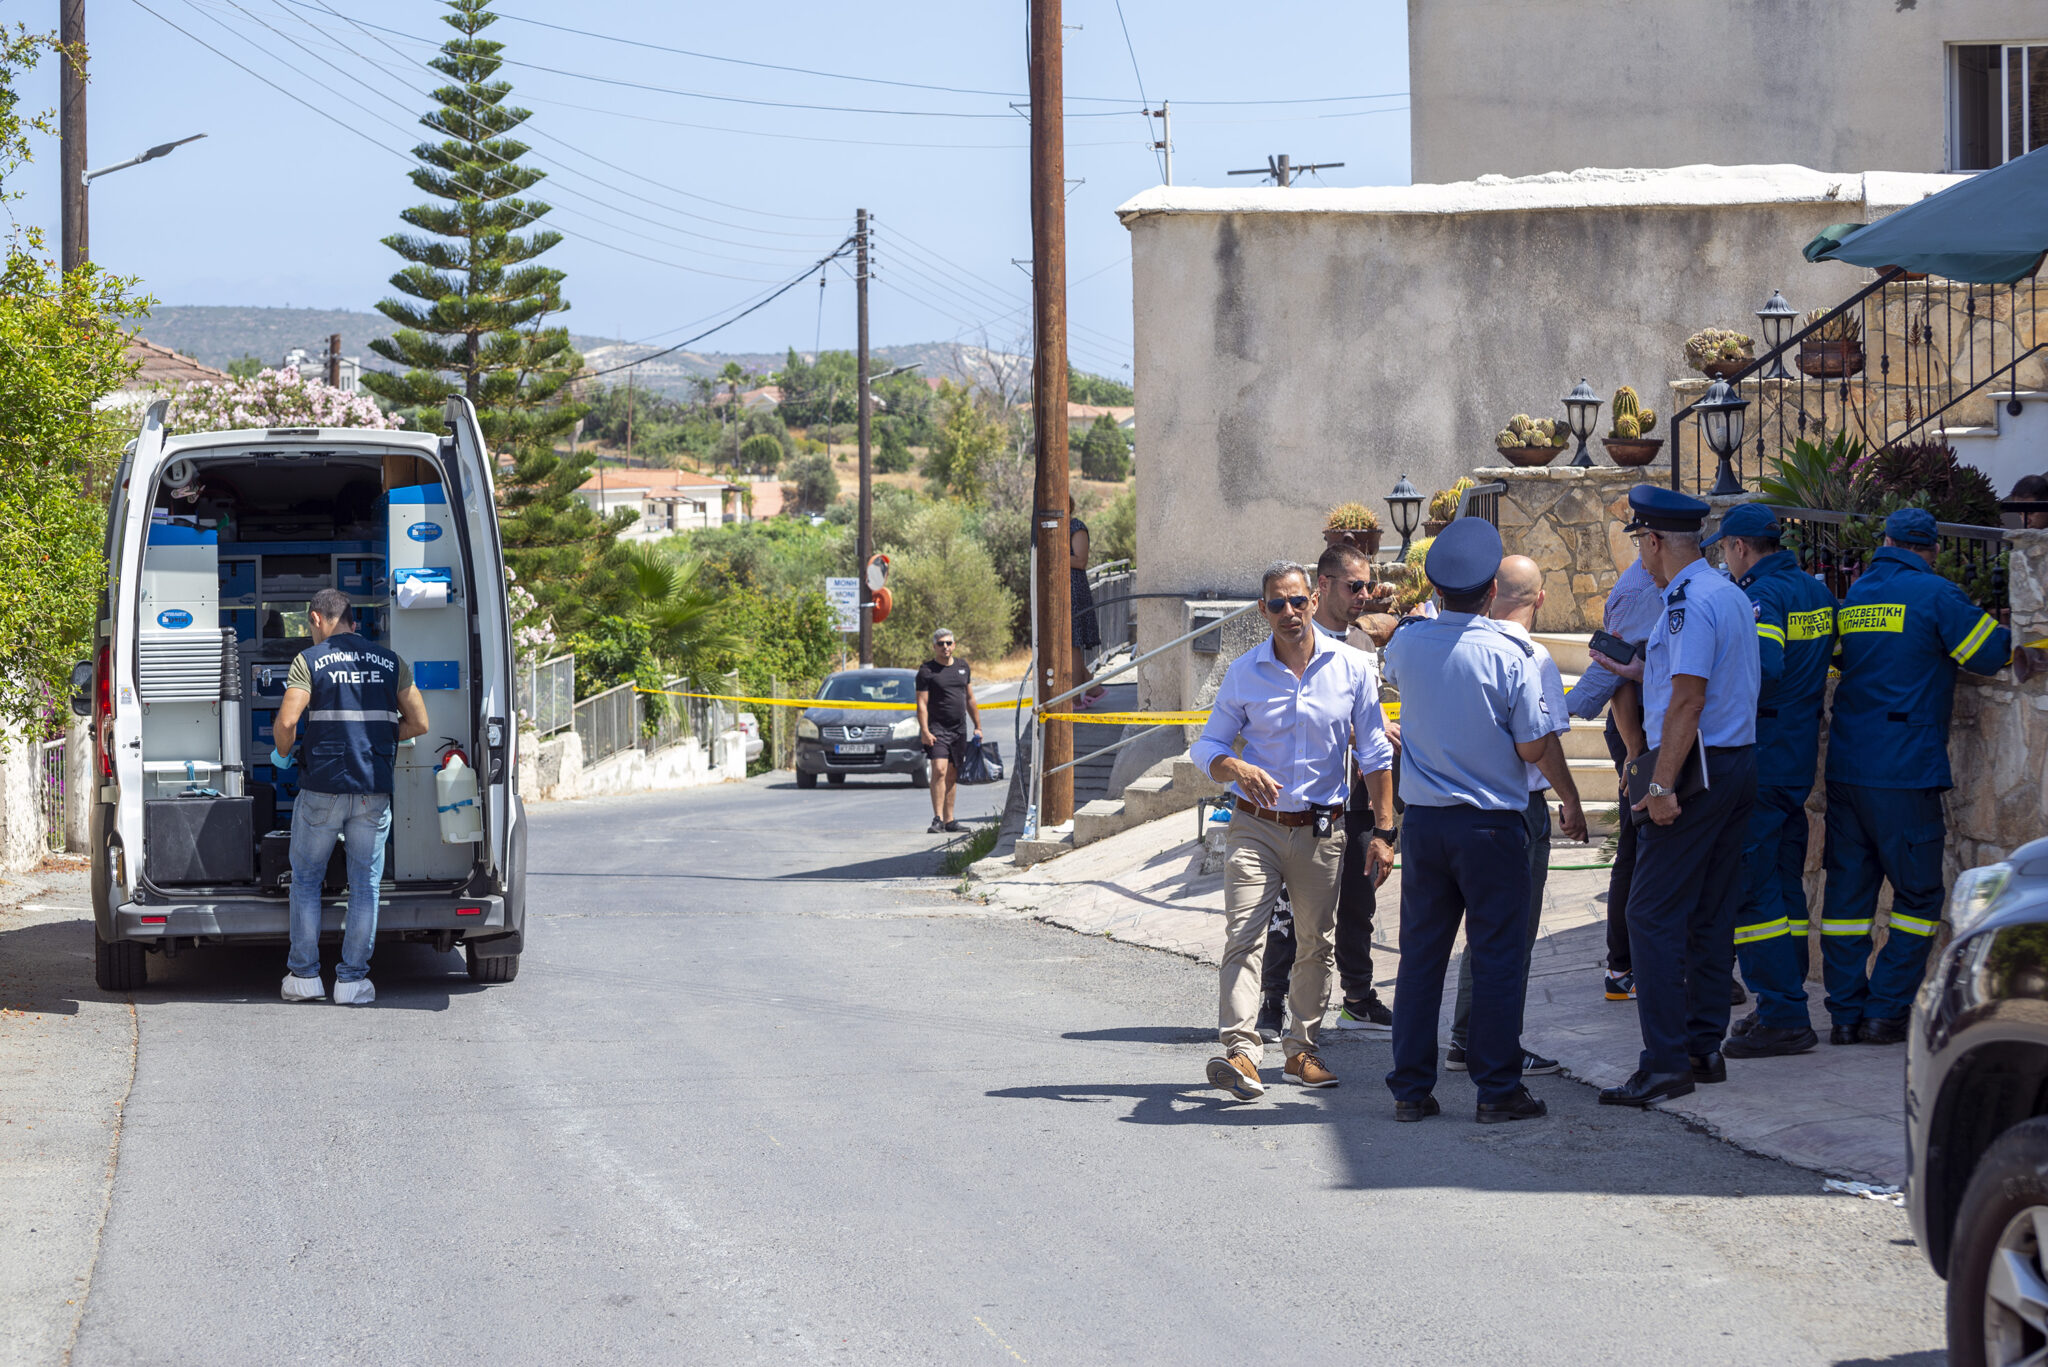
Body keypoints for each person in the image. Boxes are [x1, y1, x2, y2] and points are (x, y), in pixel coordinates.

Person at [1382, 520, 1571, 1125]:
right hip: (1491, 826)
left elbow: (1399, 665)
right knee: (1495, 958)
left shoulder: (1408, 644)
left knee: (1420, 958)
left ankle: (1410, 1088)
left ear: (1437, 590)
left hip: (1426, 826)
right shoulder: (1513, 654)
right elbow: (1532, 750)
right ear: (1492, 590)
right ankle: (1496, 1089)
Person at [1191, 561, 1394, 1100]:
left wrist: (1384, 831)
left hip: (1321, 830)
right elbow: (1206, 746)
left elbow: (1374, 753)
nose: (1289, 612)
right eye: (1276, 604)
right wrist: (1234, 768)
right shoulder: (1244, 673)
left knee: (1316, 943)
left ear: (1313, 598)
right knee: (1243, 935)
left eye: (1297, 601)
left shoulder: (1352, 667)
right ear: (1264, 611)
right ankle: (1241, 1050)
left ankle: (1300, 1049)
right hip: (1255, 828)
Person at [1587, 487, 1759, 1108]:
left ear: (1656, 541)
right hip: (1736, 763)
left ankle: (1664, 1062)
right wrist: (1640, 672)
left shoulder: (1685, 604)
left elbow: (1687, 699)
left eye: (1641, 542)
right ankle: (1701, 1048)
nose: (1641, 554)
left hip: (1695, 767)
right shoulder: (1728, 593)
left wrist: (1659, 783)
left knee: (1650, 914)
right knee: (1710, 910)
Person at [1818, 508, 2010, 1044]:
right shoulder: (1936, 595)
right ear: (1930, 549)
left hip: (1848, 767)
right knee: (1920, 896)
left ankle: (1844, 1016)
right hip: (1904, 772)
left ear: (1886, 542)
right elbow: (1990, 655)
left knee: (1847, 900)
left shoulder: (1853, 596)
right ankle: (1885, 1012)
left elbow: (1837, 662)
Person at [1445, 555, 1588, 1076]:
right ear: (1540, 599)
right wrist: (1570, 800)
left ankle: (1465, 1037)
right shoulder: (1530, 654)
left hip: (1451, 808)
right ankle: (1496, 1047)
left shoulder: (1456, 645)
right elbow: (1541, 742)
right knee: (1511, 937)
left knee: (1477, 934)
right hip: (1514, 809)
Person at [1254, 542, 1401, 1042]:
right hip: (1305, 804)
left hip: (1358, 800)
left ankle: (1357, 997)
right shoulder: (1290, 642)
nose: (1363, 595)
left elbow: (1369, 720)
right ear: (1322, 589)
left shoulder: (1361, 646)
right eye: (1353, 586)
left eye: (1368, 586)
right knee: (1289, 909)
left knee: (1360, 900)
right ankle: (1273, 1002)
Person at [1708, 504, 1836, 1059]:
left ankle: (1783, 1013)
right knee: (1783, 884)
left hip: (1761, 753)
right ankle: (1784, 1002)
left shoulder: (1760, 595)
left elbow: (1762, 668)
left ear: (1739, 547)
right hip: (1797, 753)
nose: (1723, 560)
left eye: (1723, 550)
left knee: (1751, 886)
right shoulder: (1816, 591)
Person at [270, 588, 429, 1005]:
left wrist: (284, 752)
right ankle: (352, 982)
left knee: (306, 881)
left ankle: (304, 976)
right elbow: (420, 722)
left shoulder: (310, 660)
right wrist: (372, 737)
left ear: (318, 619)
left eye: (310, 625)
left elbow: (287, 721)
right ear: (353, 622)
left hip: (322, 788)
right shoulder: (391, 662)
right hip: (372, 789)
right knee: (365, 885)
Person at [1565, 545, 1661, 1002]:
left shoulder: (1664, 583)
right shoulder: (1636, 590)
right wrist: (1635, 755)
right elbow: (1616, 676)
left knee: (1646, 846)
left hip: (1653, 739)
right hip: (1638, 739)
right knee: (1638, 846)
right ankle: (1623, 967)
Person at [915, 628, 983, 835]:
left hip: (958, 729)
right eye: (941, 643)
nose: (945, 647)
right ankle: (937, 819)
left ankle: (949, 820)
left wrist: (978, 726)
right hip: (937, 729)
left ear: (954, 645)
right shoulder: (927, 671)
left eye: (948, 643)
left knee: (953, 774)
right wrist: (925, 730)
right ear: (934, 647)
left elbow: (970, 699)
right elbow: (922, 704)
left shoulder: (963, 667)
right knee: (939, 769)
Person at [1068, 496, 1106, 708]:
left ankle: (1074, 698)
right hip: (1062, 590)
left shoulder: (1076, 527)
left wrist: (1053, 554)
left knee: (1073, 643)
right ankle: (1092, 688)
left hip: (1074, 590)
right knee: (1069, 644)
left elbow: (1081, 561)